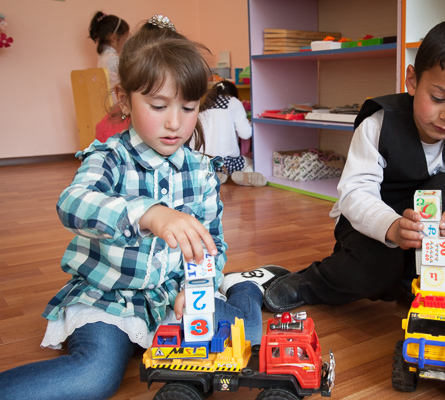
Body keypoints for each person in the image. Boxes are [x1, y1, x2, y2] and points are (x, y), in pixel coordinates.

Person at [0, 15, 288, 400]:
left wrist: (196, 287)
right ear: (124, 99)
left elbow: (211, 243)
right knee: (94, 376)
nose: (175, 123)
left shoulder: (202, 171)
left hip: (173, 296)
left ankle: (244, 287)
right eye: (158, 106)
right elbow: (72, 204)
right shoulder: (108, 157)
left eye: (188, 108)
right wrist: (146, 213)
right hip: (110, 297)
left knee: (246, 338)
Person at [264, 18, 445, 313]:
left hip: (424, 244)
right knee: (371, 272)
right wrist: (391, 226)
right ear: (412, 81)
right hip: (371, 228)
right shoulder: (379, 125)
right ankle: (310, 282)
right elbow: (354, 193)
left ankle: (416, 284)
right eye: (438, 98)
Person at [198, 80, 266, 186]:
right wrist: (250, 125)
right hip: (226, 162)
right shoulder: (233, 102)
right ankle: (243, 176)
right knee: (255, 163)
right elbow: (246, 133)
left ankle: (215, 175)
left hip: (201, 162)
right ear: (233, 93)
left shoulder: (203, 105)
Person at [88, 11, 130, 142]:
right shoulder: (113, 60)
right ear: (114, 38)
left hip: (106, 106)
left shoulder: (101, 58)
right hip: (116, 109)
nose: (125, 43)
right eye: (125, 39)